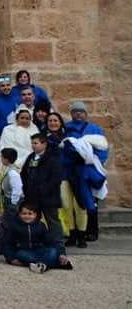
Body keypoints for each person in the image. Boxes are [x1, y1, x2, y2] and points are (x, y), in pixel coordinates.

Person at [62, 101, 109, 244]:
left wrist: (94, 162)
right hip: (70, 168)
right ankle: (75, 231)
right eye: (75, 111)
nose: (78, 114)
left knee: (89, 201)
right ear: (71, 114)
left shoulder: (94, 128)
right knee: (72, 201)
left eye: (81, 111)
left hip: (87, 169)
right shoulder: (66, 128)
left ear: (86, 114)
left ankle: (92, 230)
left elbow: (103, 148)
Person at [0, 202, 73, 273]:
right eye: (24, 214)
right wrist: (11, 259)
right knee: (25, 256)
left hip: (38, 249)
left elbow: (51, 242)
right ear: (19, 214)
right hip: (22, 250)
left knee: (52, 251)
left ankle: (38, 265)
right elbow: (6, 243)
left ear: (35, 215)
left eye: (30, 214)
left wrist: (61, 254)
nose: (27, 216)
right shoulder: (13, 226)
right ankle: (52, 265)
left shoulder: (40, 225)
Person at [21, 132, 65, 243]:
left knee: (52, 221)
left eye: (36, 143)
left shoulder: (52, 158)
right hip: (32, 196)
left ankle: (58, 244)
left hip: (48, 196)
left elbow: (56, 178)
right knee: (33, 221)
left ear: (44, 144)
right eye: (32, 143)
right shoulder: (31, 157)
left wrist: (45, 189)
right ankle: (35, 242)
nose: (33, 145)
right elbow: (24, 174)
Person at [0, 106, 35, 170]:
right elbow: (4, 146)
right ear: (17, 119)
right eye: (22, 118)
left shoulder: (34, 131)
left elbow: (33, 150)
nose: (24, 120)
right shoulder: (7, 129)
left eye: (27, 118)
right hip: (7, 160)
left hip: (26, 163)